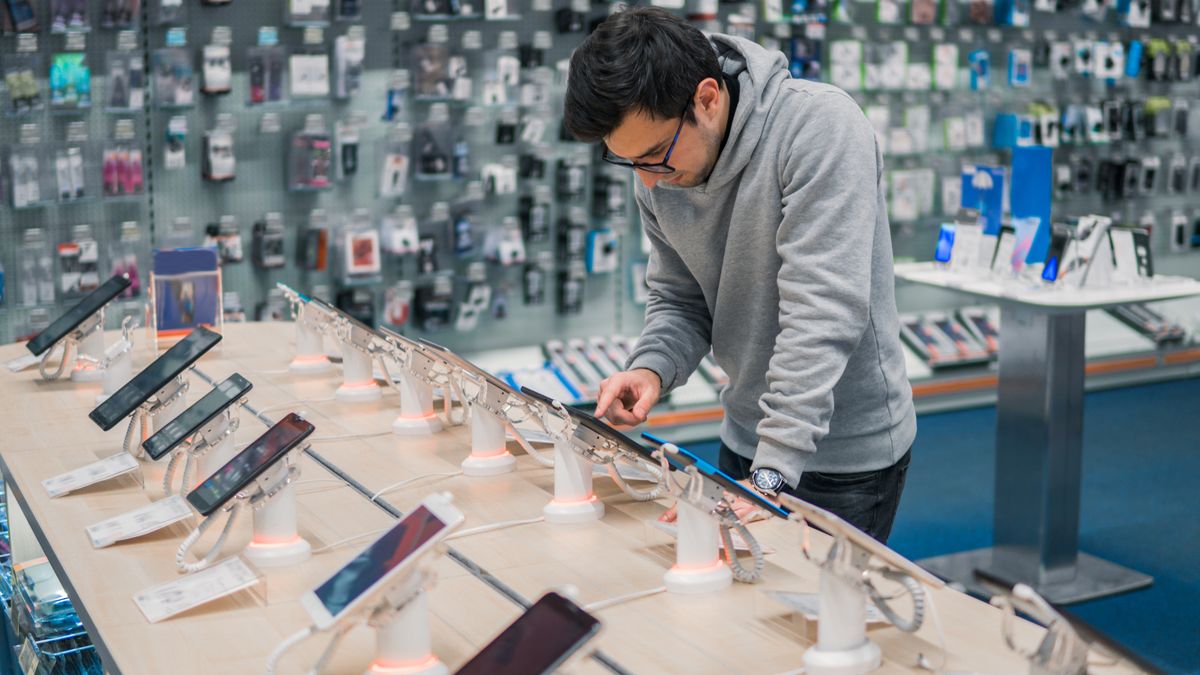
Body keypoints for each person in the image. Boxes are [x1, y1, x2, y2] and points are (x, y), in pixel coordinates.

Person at [563, 7, 916, 542]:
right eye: (628, 162)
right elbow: (681, 300)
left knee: (825, 621)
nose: (648, 182)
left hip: (843, 455)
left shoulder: (819, 127)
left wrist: (771, 474)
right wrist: (653, 368)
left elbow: (821, 314)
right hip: (750, 439)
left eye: (654, 155)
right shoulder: (659, 170)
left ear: (706, 98)